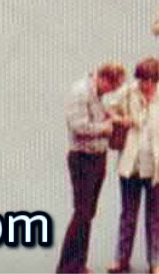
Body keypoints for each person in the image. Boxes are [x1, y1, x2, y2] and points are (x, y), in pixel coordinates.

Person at [108, 57, 159, 274]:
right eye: (140, 81)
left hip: (157, 169)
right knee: (127, 215)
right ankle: (120, 259)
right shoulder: (129, 92)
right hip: (131, 165)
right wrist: (120, 119)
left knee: (154, 218)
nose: (142, 86)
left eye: (146, 82)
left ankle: (155, 263)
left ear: (155, 81)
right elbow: (109, 108)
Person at [57, 63, 127, 274]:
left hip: (97, 157)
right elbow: (78, 126)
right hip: (83, 159)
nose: (112, 92)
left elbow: (95, 116)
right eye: (112, 88)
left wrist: (108, 116)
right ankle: (67, 267)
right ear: (104, 79)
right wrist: (105, 129)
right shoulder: (81, 93)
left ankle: (79, 263)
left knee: (88, 213)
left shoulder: (97, 94)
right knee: (82, 212)